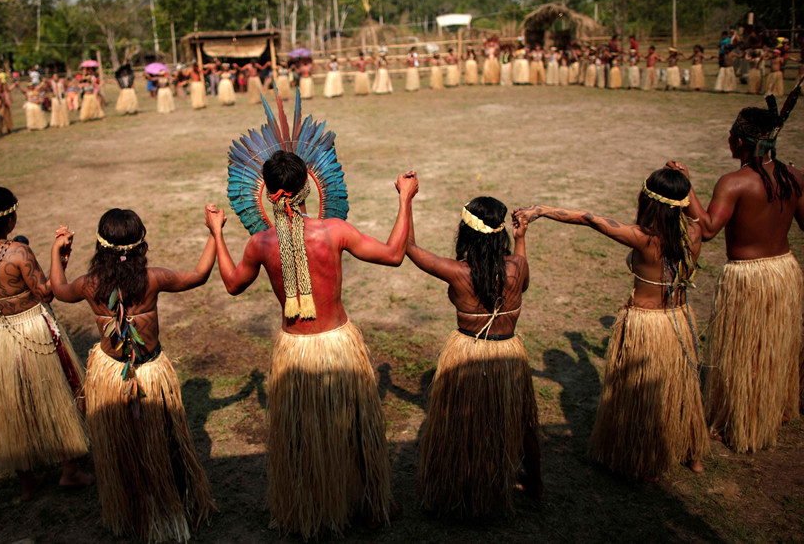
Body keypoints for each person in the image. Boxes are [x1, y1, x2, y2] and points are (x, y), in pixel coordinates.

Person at [208, 151, 418, 537]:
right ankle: (370, 504)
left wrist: (217, 233)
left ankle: (311, 511)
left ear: (267, 192)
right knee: (356, 428)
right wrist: (405, 199)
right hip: (339, 346)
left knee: (300, 436)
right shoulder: (334, 230)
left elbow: (233, 284)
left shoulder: (259, 243)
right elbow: (393, 255)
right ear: (309, 188)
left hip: (295, 352)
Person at [514, 168, 707, 480]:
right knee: (680, 388)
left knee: (643, 395)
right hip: (679, 320)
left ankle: (646, 462)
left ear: (650, 202)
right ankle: (693, 454)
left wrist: (541, 211)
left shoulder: (644, 238)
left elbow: (590, 219)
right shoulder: (695, 232)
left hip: (647, 327)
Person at [49, 208, 217, 540]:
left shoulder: (88, 285)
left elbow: (58, 288)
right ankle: (167, 508)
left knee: (124, 447)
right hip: (151, 375)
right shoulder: (152, 279)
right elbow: (199, 275)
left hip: (109, 377)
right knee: (163, 445)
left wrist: (57, 251)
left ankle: (132, 512)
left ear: (101, 247)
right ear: (140, 245)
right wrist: (214, 232)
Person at [668, 102, 803, 452]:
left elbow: (709, 227)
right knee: (773, 345)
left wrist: (687, 188)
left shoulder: (734, 182)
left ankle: (738, 422)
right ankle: (775, 409)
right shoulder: (794, 176)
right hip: (785, 271)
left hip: (749, 278)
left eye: (731, 134)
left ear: (741, 142)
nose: (728, 139)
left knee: (746, 351)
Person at [407, 196, 541, 517]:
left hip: (466, 354)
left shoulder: (457, 272)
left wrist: (406, 198)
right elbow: (523, 281)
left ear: (466, 234)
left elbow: (409, 248)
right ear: (500, 233)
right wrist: (521, 238)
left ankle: (459, 489)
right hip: (508, 354)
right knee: (523, 421)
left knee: (460, 423)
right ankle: (535, 484)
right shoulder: (517, 267)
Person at [0, 186, 91, 499]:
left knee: (12, 406)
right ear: (9, 219)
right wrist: (59, 253)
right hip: (32, 331)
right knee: (58, 392)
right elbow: (46, 293)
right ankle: (69, 470)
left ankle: (27, 480)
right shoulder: (18, 253)